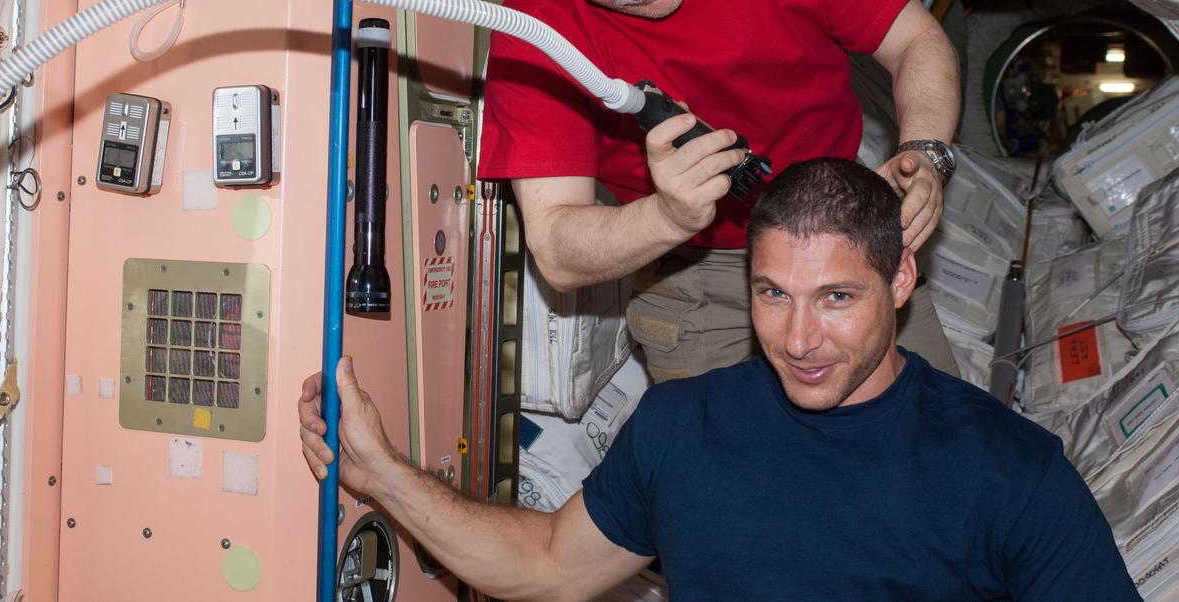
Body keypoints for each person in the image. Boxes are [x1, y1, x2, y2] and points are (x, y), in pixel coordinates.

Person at [299, 158, 1137, 601]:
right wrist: (385, 476)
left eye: (837, 297)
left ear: (903, 280)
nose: (799, 338)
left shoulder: (1010, 471)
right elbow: (549, 565)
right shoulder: (680, 425)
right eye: (773, 294)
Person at [478, 0, 963, 381]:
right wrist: (668, 214)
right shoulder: (534, 28)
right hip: (696, 275)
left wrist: (927, 154)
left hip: (845, 231)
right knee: (725, 465)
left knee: (940, 440)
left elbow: (915, 42)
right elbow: (556, 248)